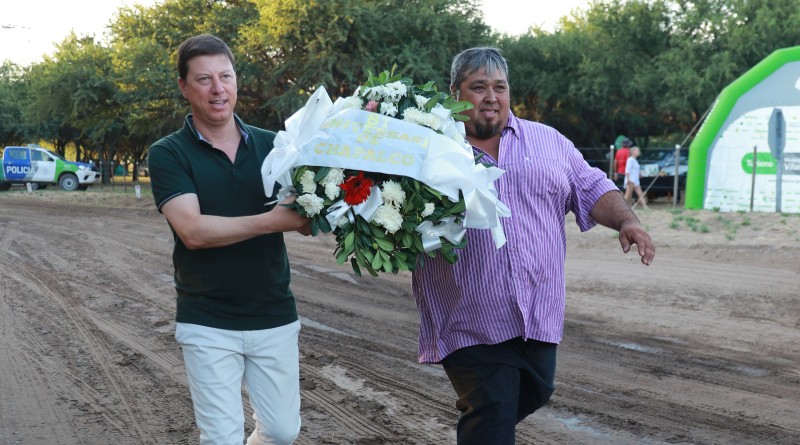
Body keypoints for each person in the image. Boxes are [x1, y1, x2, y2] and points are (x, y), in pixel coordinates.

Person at [411, 47, 656, 444]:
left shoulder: (548, 141)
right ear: (454, 92)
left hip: (539, 313)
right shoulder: (426, 148)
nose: (491, 97)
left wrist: (627, 220)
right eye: (478, 87)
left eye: (500, 87)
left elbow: (590, 186)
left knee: (533, 391)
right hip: (468, 316)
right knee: (492, 408)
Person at [147, 34, 311, 445]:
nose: (218, 89)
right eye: (204, 79)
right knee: (221, 437)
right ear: (184, 87)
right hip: (207, 317)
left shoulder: (276, 145)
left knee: (281, 432)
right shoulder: (168, 153)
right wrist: (273, 220)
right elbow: (193, 232)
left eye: (226, 76)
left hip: (273, 312)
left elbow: (306, 221)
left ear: (237, 80)